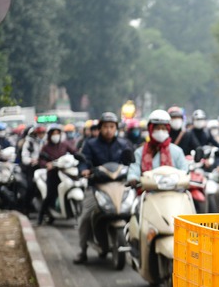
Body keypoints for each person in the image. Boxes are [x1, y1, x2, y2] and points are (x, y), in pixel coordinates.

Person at [73, 112, 133, 264]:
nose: (108, 130)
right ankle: (82, 250)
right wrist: (84, 169)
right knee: (86, 216)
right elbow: (84, 161)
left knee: (135, 211)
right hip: (96, 186)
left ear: (116, 128)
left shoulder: (123, 144)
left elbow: (131, 161)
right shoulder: (90, 144)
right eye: (105, 127)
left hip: (119, 186)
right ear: (100, 128)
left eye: (112, 127)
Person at [127, 109, 188, 185]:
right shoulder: (139, 152)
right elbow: (134, 170)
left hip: (173, 192)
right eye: (157, 128)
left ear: (168, 130)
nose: (160, 131)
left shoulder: (177, 151)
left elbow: (184, 171)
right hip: (147, 193)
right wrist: (133, 178)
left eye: (163, 128)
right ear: (150, 129)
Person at [37, 124, 77, 225]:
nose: (56, 135)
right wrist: (47, 164)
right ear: (50, 135)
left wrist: (78, 157)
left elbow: (74, 152)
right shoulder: (45, 147)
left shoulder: (64, 144)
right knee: (50, 195)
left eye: (57, 133)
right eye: (53, 133)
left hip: (65, 172)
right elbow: (41, 160)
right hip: (52, 174)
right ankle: (40, 217)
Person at [20, 125, 47, 214]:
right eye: (39, 133)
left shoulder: (45, 142)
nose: (41, 135)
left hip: (43, 167)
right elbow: (24, 158)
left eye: (43, 133)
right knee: (30, 187)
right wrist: (32, 160)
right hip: (31, 168)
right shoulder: (28, 143)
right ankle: (26, 208)